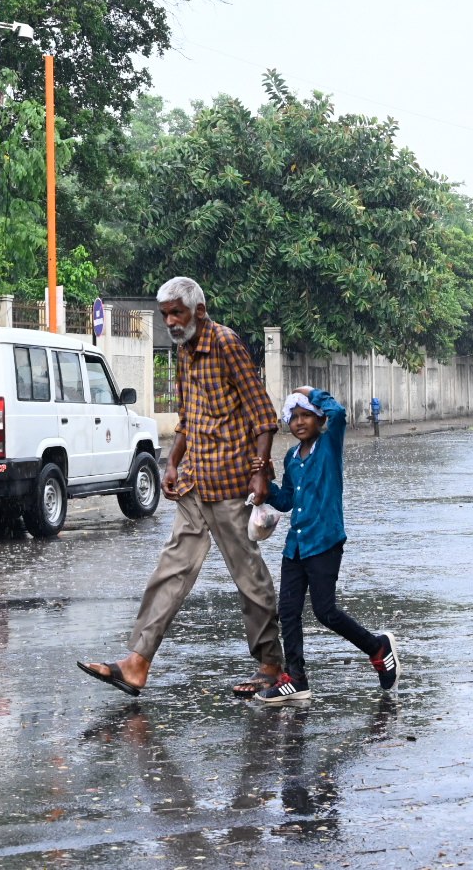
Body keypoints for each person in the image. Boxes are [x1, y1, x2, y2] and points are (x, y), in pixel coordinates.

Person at [78, 276, 285, 698]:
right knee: (169, 573)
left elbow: (263, 415)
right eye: (166, 315)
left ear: (199, 311)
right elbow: (189, 417)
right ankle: (136, 664)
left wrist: (260, 471)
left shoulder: (225, 344)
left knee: (248, 576)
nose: (171, 322)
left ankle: (271, 665)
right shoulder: (182, 351)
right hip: (195, 482)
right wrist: (171, 462)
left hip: (230, 483)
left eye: (177, 313)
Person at [252, 386, 402, 705]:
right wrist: (267, 489)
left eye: (307, 415)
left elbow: (340, 413)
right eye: (294, 417)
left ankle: (377, 647)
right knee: (288, 612)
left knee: (325, 611)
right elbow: (289, 500)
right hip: (296, 546)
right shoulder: (292, 457)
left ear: (319, 419)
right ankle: (296, 679)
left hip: (325, 542)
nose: (300, 422)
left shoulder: (329, 446)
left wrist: (314, 393)